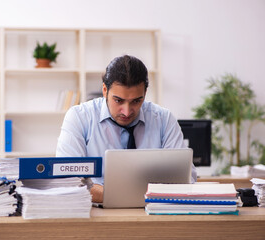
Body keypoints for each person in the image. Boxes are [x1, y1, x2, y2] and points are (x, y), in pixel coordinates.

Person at [56, 55, 197, 203]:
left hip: (154, 212)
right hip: (98, 211)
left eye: (136, 101)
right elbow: (68, 181)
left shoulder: (164, 119)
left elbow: (188, 178)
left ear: (145, 93)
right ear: (104, 90)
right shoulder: (79, 117)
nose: (127, 111)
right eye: (118, 100)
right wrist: (125, 196)